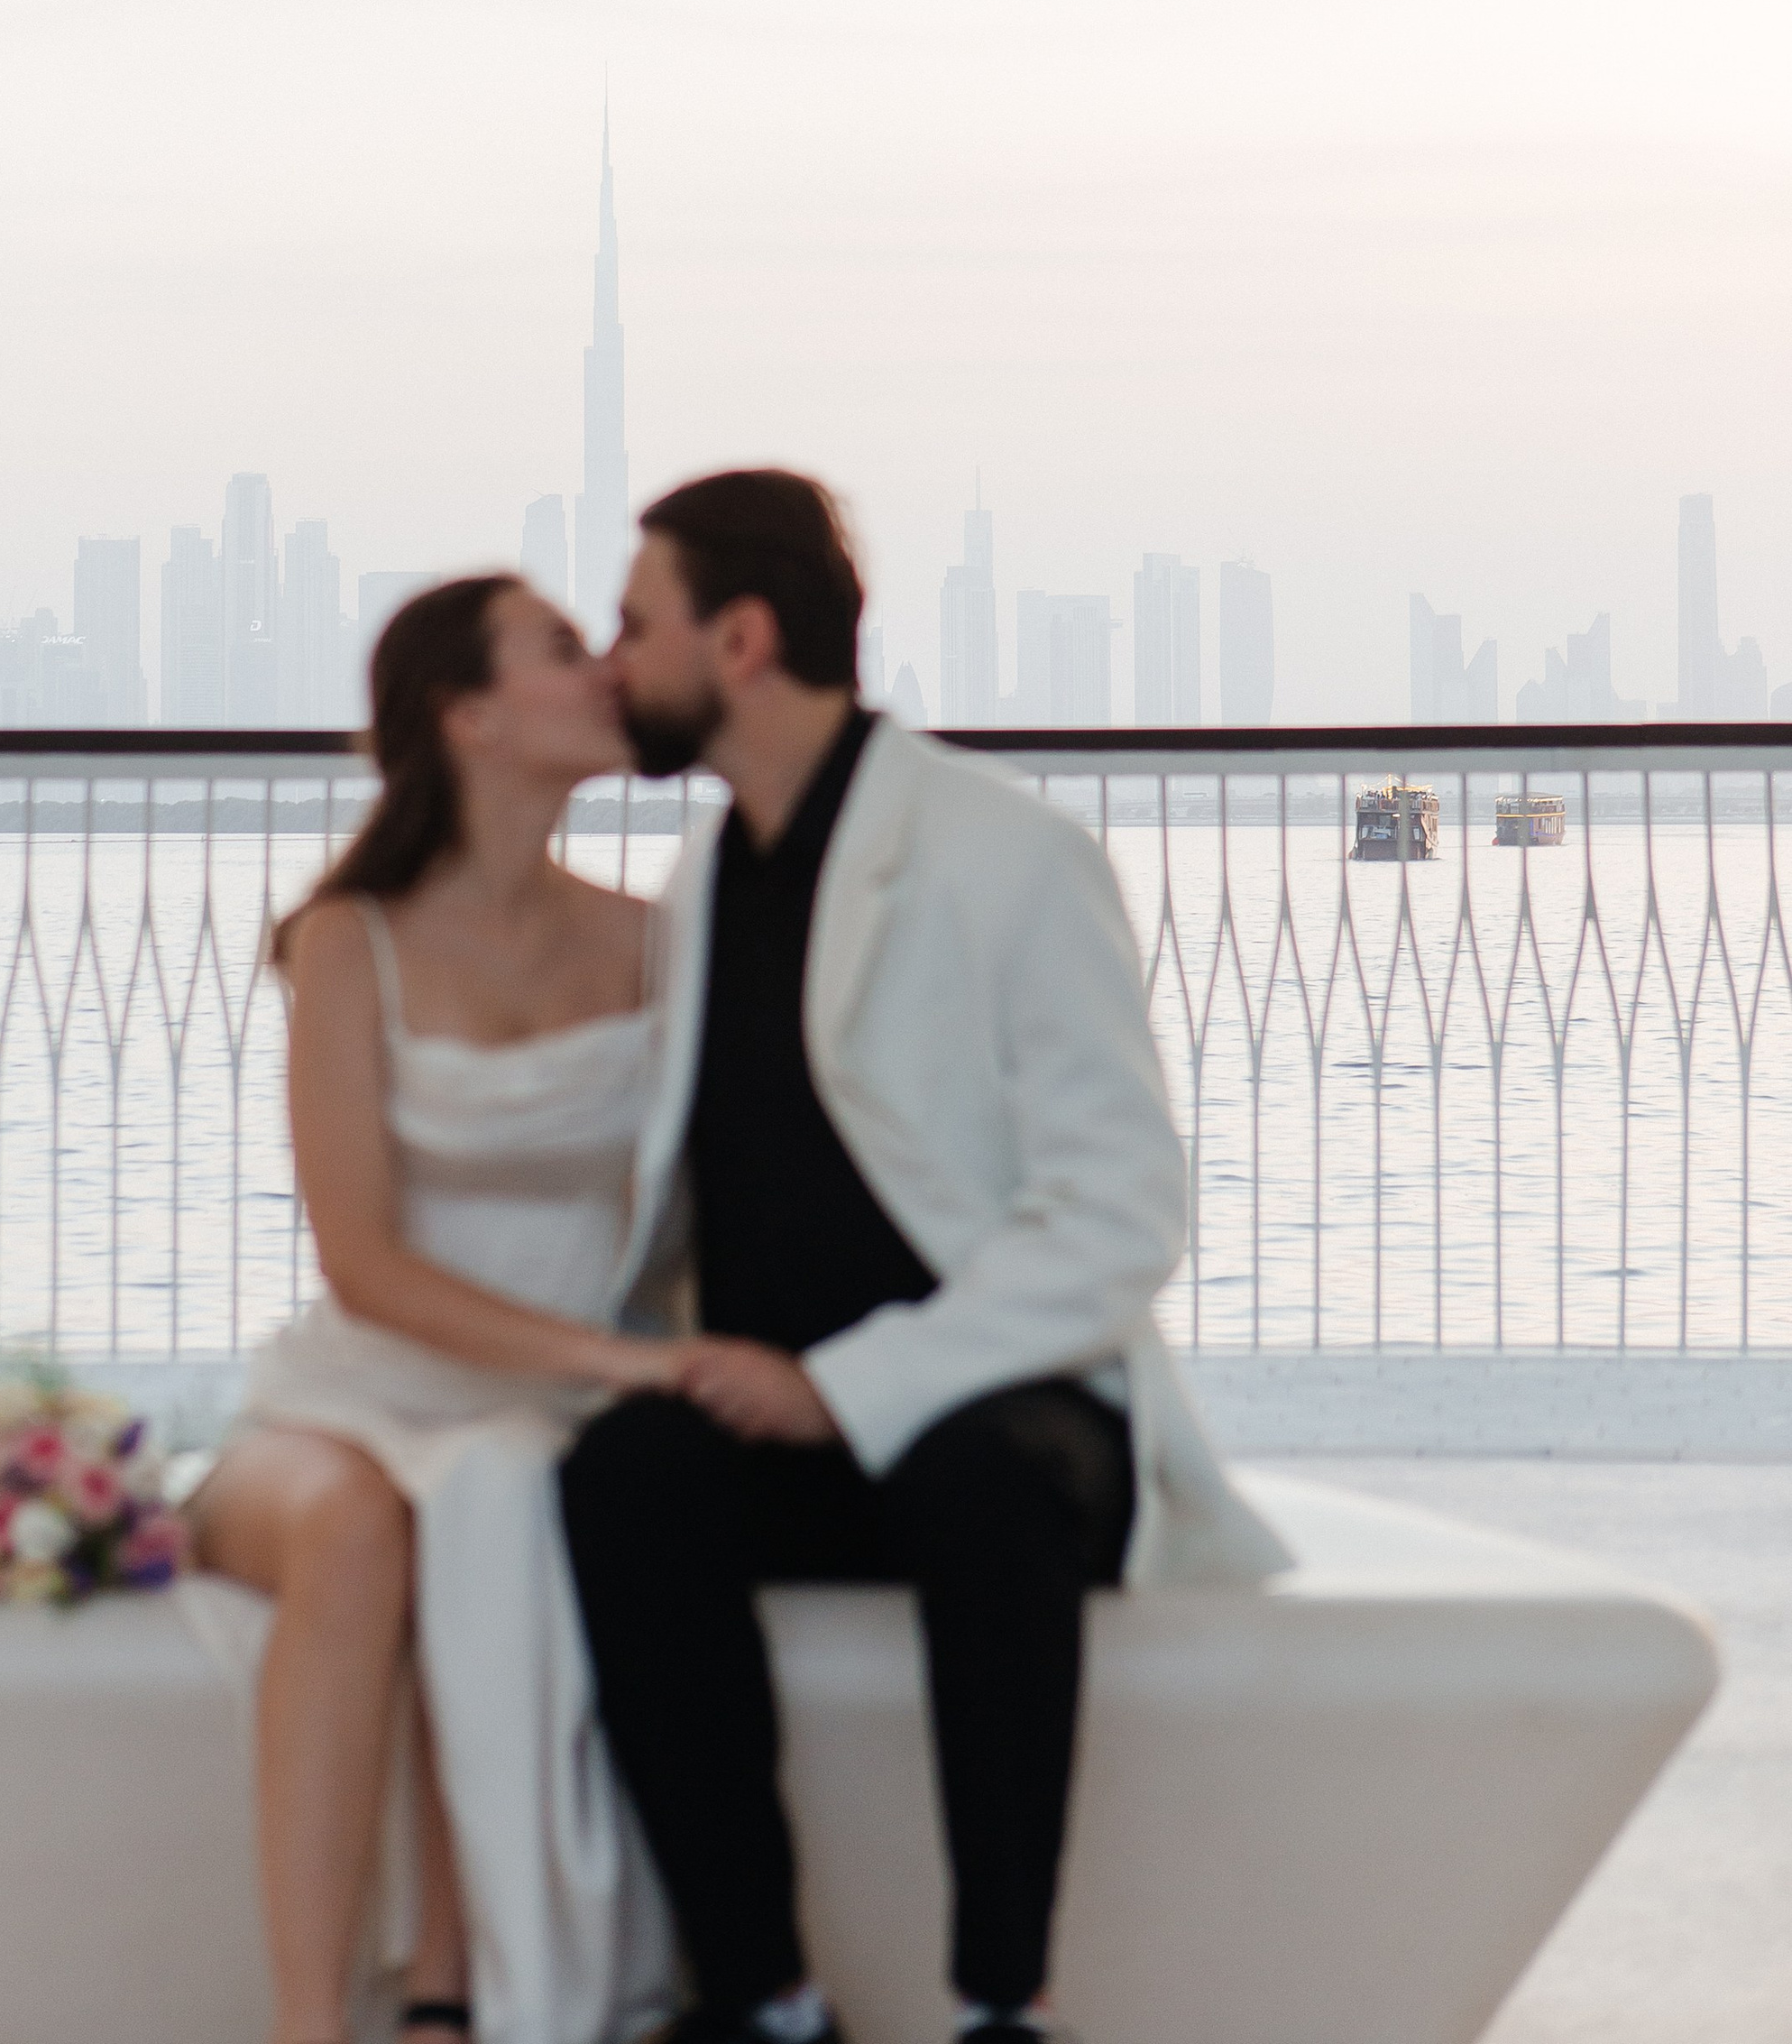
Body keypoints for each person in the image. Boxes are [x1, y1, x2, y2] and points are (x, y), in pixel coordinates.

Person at [561, 472, 1287, 2044]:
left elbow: (1121, 1214)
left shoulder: (1007, 851)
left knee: (978, 1474)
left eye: (635, 623)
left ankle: (1000, 2004)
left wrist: (844, 1385)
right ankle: (763, 1998)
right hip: (777, 1420)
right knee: (622, 1474)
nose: (611, 661)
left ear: (741, 636)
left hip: (1010, 1408)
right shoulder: (698, 886)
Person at [192, 574, 683, 2044]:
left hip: (550, 1408)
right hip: (356, 1387)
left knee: (501, 1492)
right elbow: (361, 1258)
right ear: (467, 714)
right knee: (357, 1527)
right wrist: (612, 1359)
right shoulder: (350, 938)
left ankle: (454, 1992)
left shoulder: (659, 942)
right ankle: (308, 2025)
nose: (602, 667)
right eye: (558, 648)